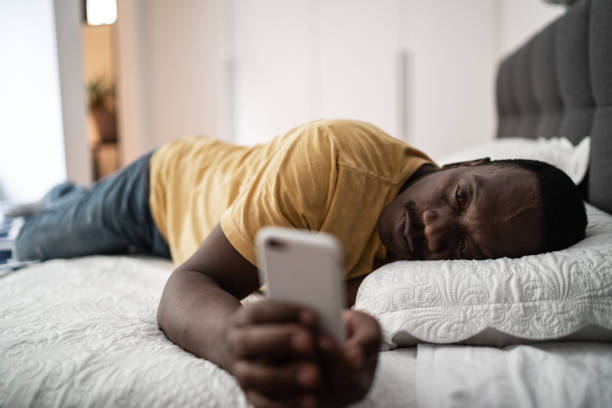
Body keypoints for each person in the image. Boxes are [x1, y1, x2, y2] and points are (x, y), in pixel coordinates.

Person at [14, 119, 587, 407]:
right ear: (467, 162)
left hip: (198, 203)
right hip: (163, 188)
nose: (436, 228)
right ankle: (60, 198)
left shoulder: (426, 274)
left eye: (466, 248)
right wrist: (234, 340)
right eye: (462, 196)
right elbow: (190, 282)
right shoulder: (330, 163)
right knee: (31, 242)